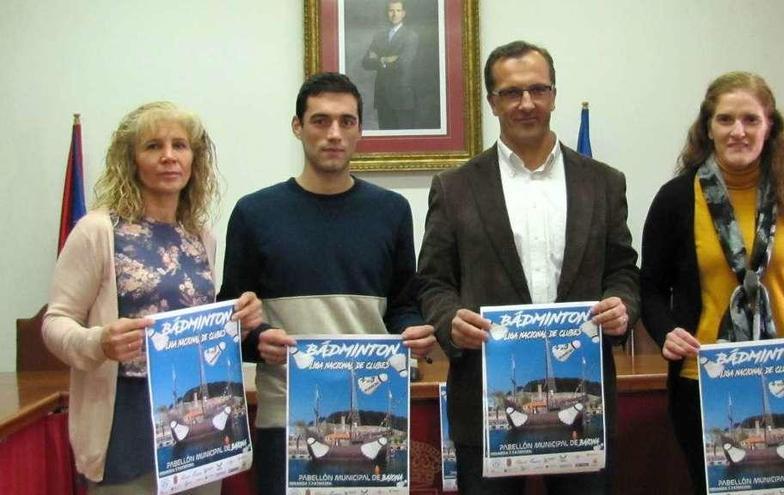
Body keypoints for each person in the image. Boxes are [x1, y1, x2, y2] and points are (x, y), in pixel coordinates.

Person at [418, 40, 640, 494]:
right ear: (492, 102)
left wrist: (623, 306)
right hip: (486, 403)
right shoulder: (455, 187)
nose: (526, 103)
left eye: (538, 89)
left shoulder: (604, 182)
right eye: (511, 92)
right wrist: (449, 321)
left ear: (554, 95)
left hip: (584, 399)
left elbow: (623, 269)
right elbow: (433, 282)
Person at [217, 72, 436, 495]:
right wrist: (257, 339)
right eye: (320, 121)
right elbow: (232, 319)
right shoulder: (253, 213)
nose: (334, 134)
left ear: (360, 130)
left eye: (346, 121)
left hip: (374, 413)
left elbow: (403, 304)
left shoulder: (392, 211)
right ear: (297, 126)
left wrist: (411, 330)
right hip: (288, 419)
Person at [42, 102, 264, 494]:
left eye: (179, 145)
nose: (168, 156)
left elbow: (194, 328)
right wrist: (99, 342)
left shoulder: (200, 237)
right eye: (153, 146)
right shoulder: (98, 230)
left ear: (194, 160)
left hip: (197, 426)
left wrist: (237, 318)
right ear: (131, 160)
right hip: (124, 423)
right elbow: (55, 322)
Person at [640, 71, 784, 494]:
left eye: (751, 120)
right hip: (703, 383)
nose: (738, 131)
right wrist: (665, 333)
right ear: (707, 128)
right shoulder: (676, 198)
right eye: (726, 120)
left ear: (770, 128)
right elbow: (651, 289)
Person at [361, 0, 418, 129]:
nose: (394, 14)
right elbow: (365, 62)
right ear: (387, 13)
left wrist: (378, 59)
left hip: (402, 98)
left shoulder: (411, 36)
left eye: (398, 11)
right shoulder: (379, 36)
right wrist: (385, 60)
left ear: (403, 13)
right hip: (382, 97)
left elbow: (403, 64)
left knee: (404, 141)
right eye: (391, 10)